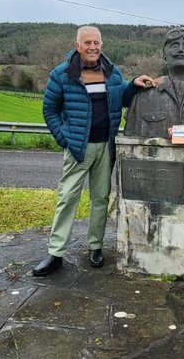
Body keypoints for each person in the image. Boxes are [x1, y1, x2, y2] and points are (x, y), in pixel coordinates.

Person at [33, 26, 154, 276]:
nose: (92, 47)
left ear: (101, 45)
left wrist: (133, 85)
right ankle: (56, 253)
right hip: (78, 148)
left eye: (96, 42)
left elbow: (122, 98)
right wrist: (64, 138)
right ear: (77, 45)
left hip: (106, 146)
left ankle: (95, 246)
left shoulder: (111, 72)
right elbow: (50, 110)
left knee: (100, 198)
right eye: (87, 42)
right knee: (67, 198)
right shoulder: (63, 74)